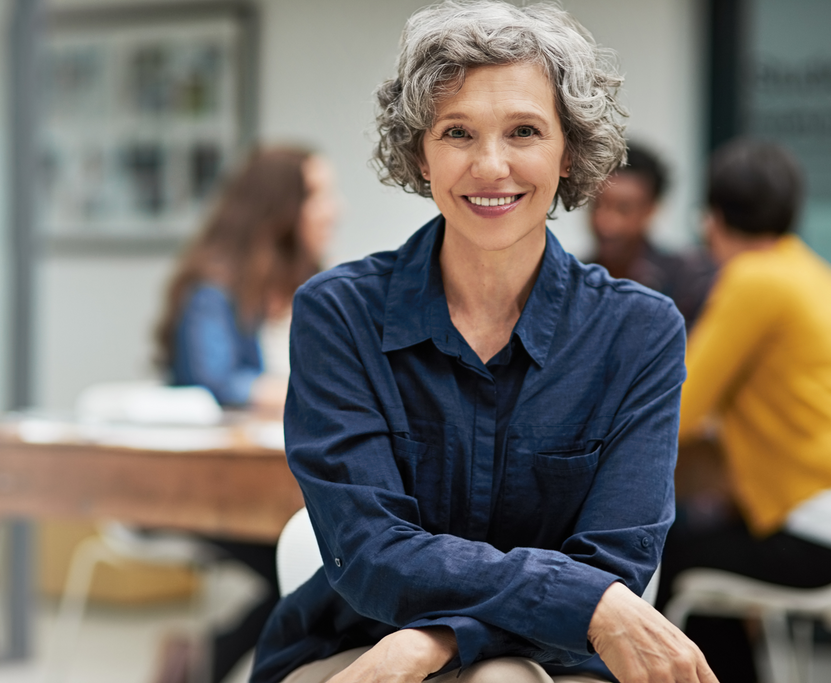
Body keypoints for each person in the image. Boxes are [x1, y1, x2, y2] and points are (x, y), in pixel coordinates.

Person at [251, 3, 716, 683]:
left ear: (570, 151)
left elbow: (614, 562)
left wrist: (434, 641)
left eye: (524, 130)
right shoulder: (339, 314)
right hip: (356, 643)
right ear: (421, 151)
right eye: (458, 132)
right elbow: (371, 551)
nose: (490, 165)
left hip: (563, 656)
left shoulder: (639, 331)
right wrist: (565, 603)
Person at [656, 140, 831, 683]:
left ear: (712, 220)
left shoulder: (753, 279)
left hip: (823, 537)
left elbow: (679, 407)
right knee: (716, 540)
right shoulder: (822, 278)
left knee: (680, 553)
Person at [154, 146, 339, 683]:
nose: (334, 209)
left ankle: (203, 662)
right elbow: (212, 383)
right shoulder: (213, 289)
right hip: (214, 489)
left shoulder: (315, 287)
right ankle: (208, 664)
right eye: (319, 195)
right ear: (281, 207)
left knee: (329, 566)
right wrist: (300, 391)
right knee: (321, 573)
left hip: (291, 482)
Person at [586, 143, 714, 328]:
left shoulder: (687, 280)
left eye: (624, 209)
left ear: (652, 209)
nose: (606, 223)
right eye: (596, 205)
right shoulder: (571, 278)